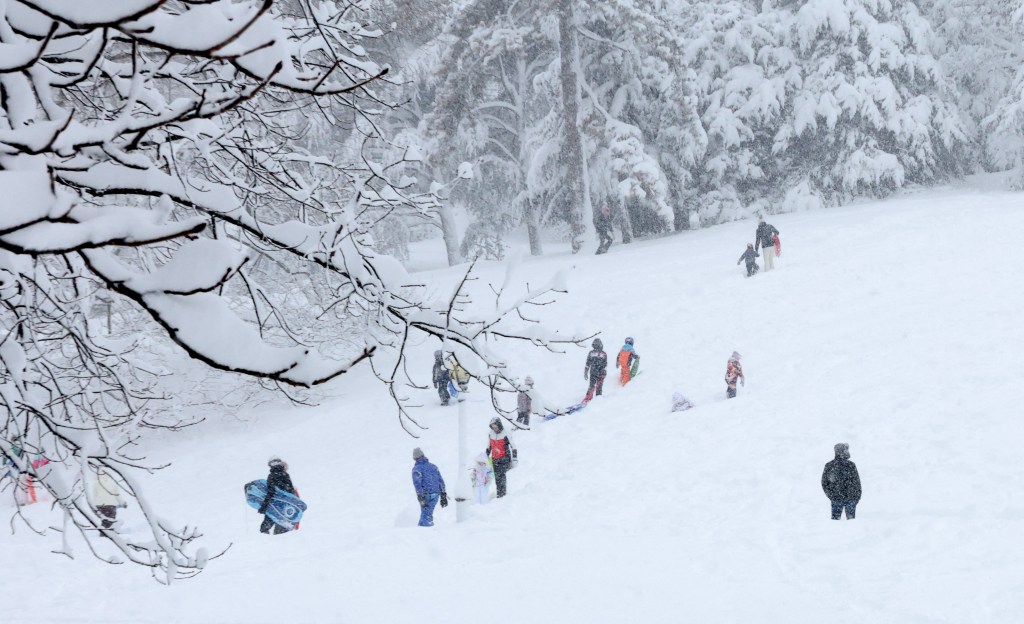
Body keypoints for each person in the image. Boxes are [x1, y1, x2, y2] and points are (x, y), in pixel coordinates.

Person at [821, 443, 862, 520]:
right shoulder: (850, 465)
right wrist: (857, 496)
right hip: (849, 498)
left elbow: (824, 483)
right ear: (843, 451)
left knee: (836, 523)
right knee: (851, 523)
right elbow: (857, 482)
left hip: (839, 498)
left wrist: (831, 495)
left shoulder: (830, 465)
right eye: (846, 450)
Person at [259, 457, 297, 535]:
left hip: (275, 503)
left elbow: (271, 492)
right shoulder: (285, 474)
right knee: (282, 530)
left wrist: (264, 506)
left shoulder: (272, 475)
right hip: (286, 505)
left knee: (265, 527)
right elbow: (291, 491)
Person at [412, 448, 447, 527]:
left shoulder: (417, 469)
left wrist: (420, 497)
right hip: (436, 494)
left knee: (426, 516)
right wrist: (443, 494)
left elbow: (417, 484)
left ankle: (426, 534)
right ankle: (421, 531)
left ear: (414, 458)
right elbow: (440, 481)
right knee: (426, 514)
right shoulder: (433, 466)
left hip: (426, 494)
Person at [485, 418, 516, 498]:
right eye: (493, 427)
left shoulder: (506, 433)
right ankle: (499, 494)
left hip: (504, 458)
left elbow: (513, 446)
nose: (495, 429)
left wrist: (515, 458)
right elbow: (489, 447)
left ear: (499, 425)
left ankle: (503, 494)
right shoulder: (490, 434)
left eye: (496, 427)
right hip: (495, 459)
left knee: (502, 477)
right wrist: (485, 457)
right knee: (497, 478)